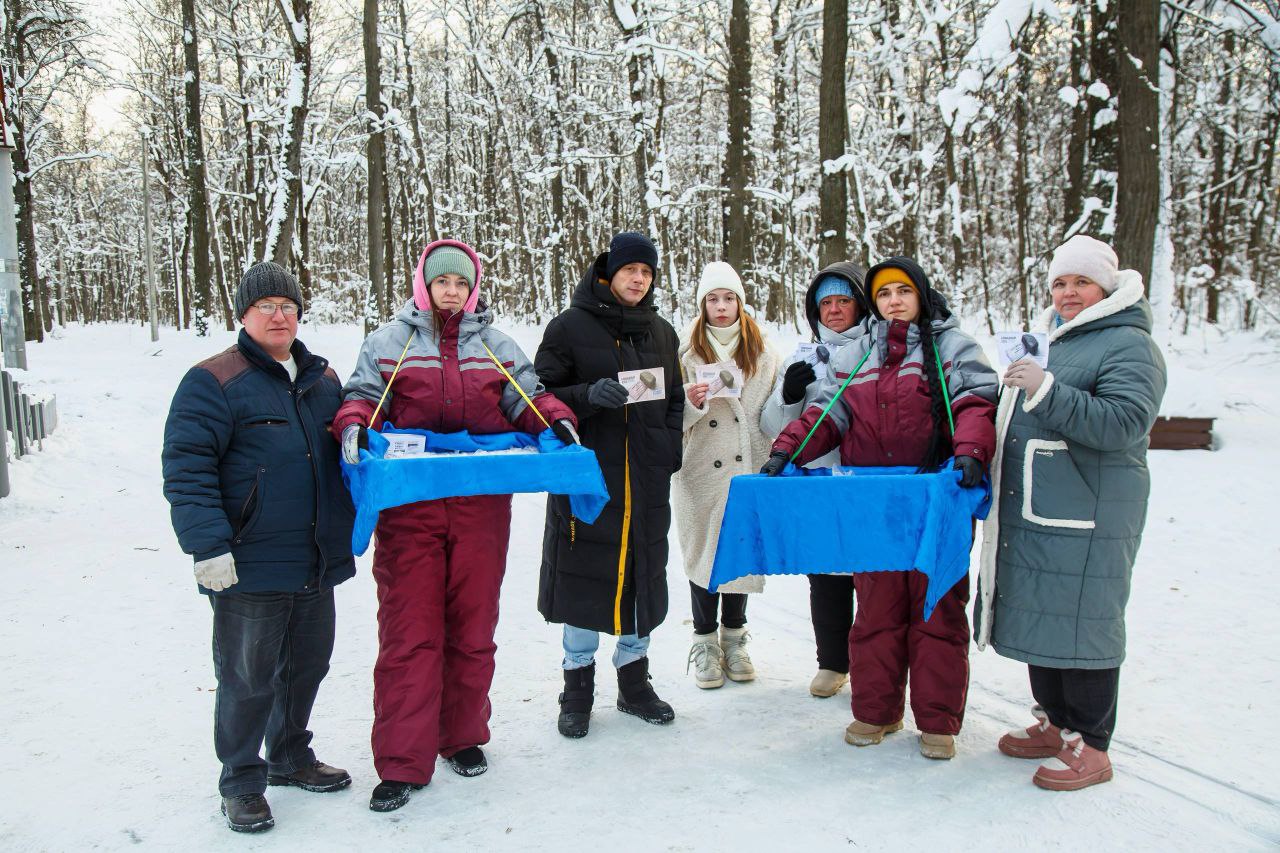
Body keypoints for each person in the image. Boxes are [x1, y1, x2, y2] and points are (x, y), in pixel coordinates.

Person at [332, 239, 577, 813]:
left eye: (461, 283)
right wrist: (352, 425)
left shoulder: (495, 345)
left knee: (473, 624)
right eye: (441, 281)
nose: (451, 290)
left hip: (479, 505)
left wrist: (558, 422)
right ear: (424, 284)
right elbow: (363, 398)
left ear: (473, 289)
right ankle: (402, 761)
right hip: (410, 508)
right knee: (409, 629)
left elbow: (529, 401)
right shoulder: (390, 342)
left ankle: (461, 735)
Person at [765, 257, 997, 760]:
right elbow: (828, 411)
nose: (894, 300)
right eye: (885, 293)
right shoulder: (861, 353)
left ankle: (937, 722)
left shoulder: (952, 347)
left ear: (920, 294)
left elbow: (976, 401)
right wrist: (788, 448)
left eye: (903, 291)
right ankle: (877, 710)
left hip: (936, 501)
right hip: (873, 507)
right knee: (876, 612)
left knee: (937, 609)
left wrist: (971, 452)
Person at [162, 262, 355, 834]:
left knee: (308, 666)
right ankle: (242, 779)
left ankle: (290, 755)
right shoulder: (213, 380)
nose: (280, 316)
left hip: (316, 556)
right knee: (248, 677)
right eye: (267, 306)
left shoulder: (322, 380)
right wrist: (208, 547)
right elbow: (187, 470)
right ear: (243, 314)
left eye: (289, 306)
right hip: (247, 560)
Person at [976, 235, 1167, 791]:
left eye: (1080, 281)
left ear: (1107, 287)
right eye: (1060, 282)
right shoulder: (1053, 339)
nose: (1068, 292)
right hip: (1039, 509)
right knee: (1045, 616)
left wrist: (1046, 390)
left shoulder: (1129, 344)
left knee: (1085, 624)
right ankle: (1056, 724)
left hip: (1090, 513)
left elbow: (1123, 422)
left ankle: (1093, 745)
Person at [534, 231, 684, 738]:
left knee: (643, 575)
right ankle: (576, 686)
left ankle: (634, 680)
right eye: (629, 271)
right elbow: (537, 396)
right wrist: (585, 395)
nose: (638, 279)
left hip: (646, 477)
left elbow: (675, 400)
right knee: (584, 575)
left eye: (646, 272)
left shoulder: (662, 332)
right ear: (608, 274)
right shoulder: (568, 327)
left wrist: (668, 451)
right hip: (589, 479)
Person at [760, 262, 868, 698]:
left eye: (844, 300)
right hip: (818, 478)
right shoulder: (803, 356)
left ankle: (871, 662)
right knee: (826, 574)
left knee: (872, 573)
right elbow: (771, 424)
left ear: (860, 304)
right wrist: (788, 396)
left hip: (864, 477)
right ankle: (833, 661)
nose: (835, 310)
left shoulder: (877, 350)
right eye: (827, 303)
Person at [675, 262, 783, 689]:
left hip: (747, 466)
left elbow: (774, 414)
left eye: (729, 298)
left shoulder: (765, 353)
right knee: (705, 551)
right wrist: (691, 401)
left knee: (740, 550)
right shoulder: (684, 352)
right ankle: (704, 642)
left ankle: (734, 639)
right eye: (712, 299)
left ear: (741, 302)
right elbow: (666, 416)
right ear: (702, 306)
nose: (721, 307)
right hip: (699, 468)